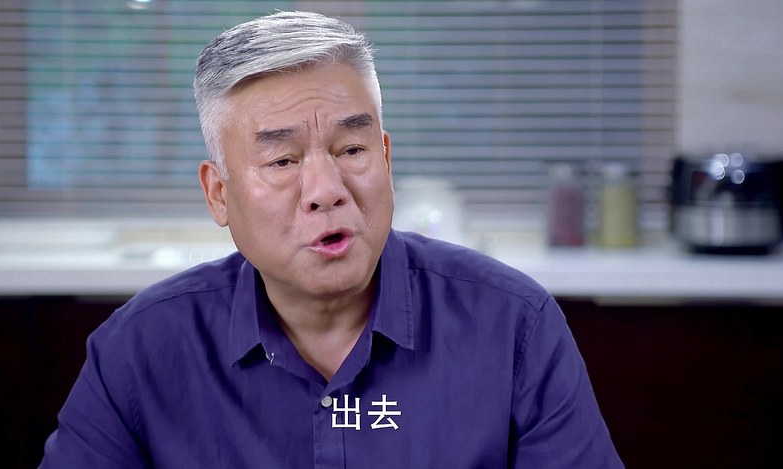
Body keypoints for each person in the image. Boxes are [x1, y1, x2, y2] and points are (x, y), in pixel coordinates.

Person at [40, 11, 623, 468]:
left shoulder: (513, 326)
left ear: (385, 158)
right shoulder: (139, 351)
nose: (326, 190)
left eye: (351, 149)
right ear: (218, 193)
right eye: (282, 160)